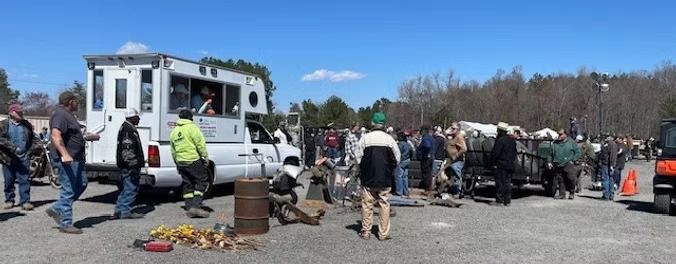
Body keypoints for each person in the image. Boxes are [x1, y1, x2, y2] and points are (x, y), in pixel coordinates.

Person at [46, 92, 100, 234]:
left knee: (82, 184)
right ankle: (66, 223)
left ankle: (58, 207)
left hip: (77, 158)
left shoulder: (68, 115)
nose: (78, 103)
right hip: (68, 159)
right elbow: (55, 135)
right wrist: (65, 154)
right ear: (70, 101)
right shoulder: (60, 114)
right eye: (76, 101)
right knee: (68, 190)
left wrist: (86, 137)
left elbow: (71, 135)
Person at [355, 112, 400, 240]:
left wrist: (360, 171)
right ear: (384, 124)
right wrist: (390, 170)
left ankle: (366, 231)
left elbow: (358, 157)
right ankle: (383, 233)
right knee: (384, 204)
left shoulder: (365, 138)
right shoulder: (389, 139)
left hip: (368, 177)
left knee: (367, 204)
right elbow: (397, 158)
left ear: (373, 123)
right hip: (385, 177)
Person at [170, 110, 211, 218]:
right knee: (202, 180)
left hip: (181, 161)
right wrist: (205, 156)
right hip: (192, 159)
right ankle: (196, 207)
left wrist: (177, 162)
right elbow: (200, 143)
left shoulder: (174, 131)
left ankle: (189, 206)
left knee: (187, 183)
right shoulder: (192, 128)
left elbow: (173, 150)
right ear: (190, 117)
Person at [0, 104, 37, 210]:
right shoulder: (3, 125)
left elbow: (33, 138)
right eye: (19, 112)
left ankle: (25, 201)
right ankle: (9, 200)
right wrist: (13, 148)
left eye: (22, 112)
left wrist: (32, 149)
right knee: (9, 181)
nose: (21, 114)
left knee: (25, 180)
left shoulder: (26, 124)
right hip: (8, 158)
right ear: (11, 113)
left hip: (24, 158)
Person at [112, 108, 145, 219]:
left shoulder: (126, 128)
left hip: (126, 165)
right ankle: (125, 211)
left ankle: (119, 210)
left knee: (126, 188)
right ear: (133, 118)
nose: (139, 118)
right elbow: (127, 149)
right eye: (137, 117)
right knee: (131, 188)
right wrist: (133, 163)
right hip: (130, 165)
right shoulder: (128, 130)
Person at [548, 130, 581, 200]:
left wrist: (573, 159)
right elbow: (550, 154)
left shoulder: (571, 142)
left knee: (571, 178)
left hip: (568, 164)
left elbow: (578, 152)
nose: (559, 136)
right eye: (558, 134)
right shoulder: (555, 143)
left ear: (565, 135)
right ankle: (562, 194)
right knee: (560, 180)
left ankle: (572, 192)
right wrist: (549, 162)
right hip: (558, 164)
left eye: (561, 134)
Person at [491, 122, 517, 206]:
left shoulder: (500, 141)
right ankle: (507, 200)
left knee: (500, 183)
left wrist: (493, 161)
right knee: (507, 183)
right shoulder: (512, 141)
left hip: (501, 164)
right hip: (510, 164)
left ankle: (499, 200)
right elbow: (514, 153)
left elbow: (496, 153)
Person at [445, 123, 467, 196]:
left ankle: (458, 191)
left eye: (454, 128)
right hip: (452, 160)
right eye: (452, 128)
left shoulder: (459, 137)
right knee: (453, 176)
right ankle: (454, 191)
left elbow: (464, 148)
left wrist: (456, 155)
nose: (452, 130)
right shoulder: (453, 137)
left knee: (457, 175)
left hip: (458, 161)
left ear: (458, 129)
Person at [599, 134, 618, 201]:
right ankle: (610, 195)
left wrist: (612, 165)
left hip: (607, 165)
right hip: (607, 164)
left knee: (606, 179)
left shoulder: (612, 145)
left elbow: (612, 156)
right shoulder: (607, 144)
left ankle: (606, 195)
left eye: (607, 137)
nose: (605, 138)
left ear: (611, 137)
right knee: (610, 179)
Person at [417, 126, 435, 195]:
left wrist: (425, 154)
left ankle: (427, 189)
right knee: (429, 173)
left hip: (426, 158)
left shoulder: (425, 138)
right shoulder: (431, 138)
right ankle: (429, 188)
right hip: (431, 157)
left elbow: (427, 146)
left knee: (426, 173)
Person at [394, 132, 412, 197]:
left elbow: (397, 153)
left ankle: (399, 191)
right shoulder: (408, 144)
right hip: (407, 160)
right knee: (405, 177)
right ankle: (406, 191)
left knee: (399, 176)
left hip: (401, 161)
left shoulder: (400, 145)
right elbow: (411, 152)